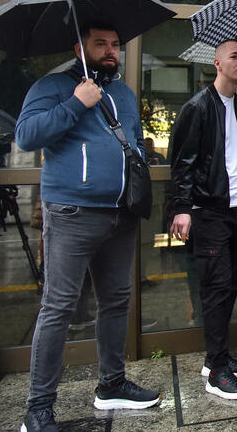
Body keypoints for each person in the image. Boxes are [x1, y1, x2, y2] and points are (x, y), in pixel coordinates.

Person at [16, 22, 161, 432]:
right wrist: (76, 103)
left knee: (116, 301)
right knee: (59, 308)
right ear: (81, 47)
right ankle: (38, 409)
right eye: (102, 44)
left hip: (120, 213)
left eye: (115, 44)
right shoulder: (54, 86)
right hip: (73, 213)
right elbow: (27, 136)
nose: (111, 51)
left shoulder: (124, 92)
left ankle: (111, 384)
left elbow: (132, 140)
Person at [169, 40, 237, 400]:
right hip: (210, 212)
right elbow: (183, 162)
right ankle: (217, 372)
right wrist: (182, 207)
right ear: (218, 63)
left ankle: (216, 357)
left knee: (231, 285)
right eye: (234, 57)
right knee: (215, 288)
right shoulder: (198, 107)